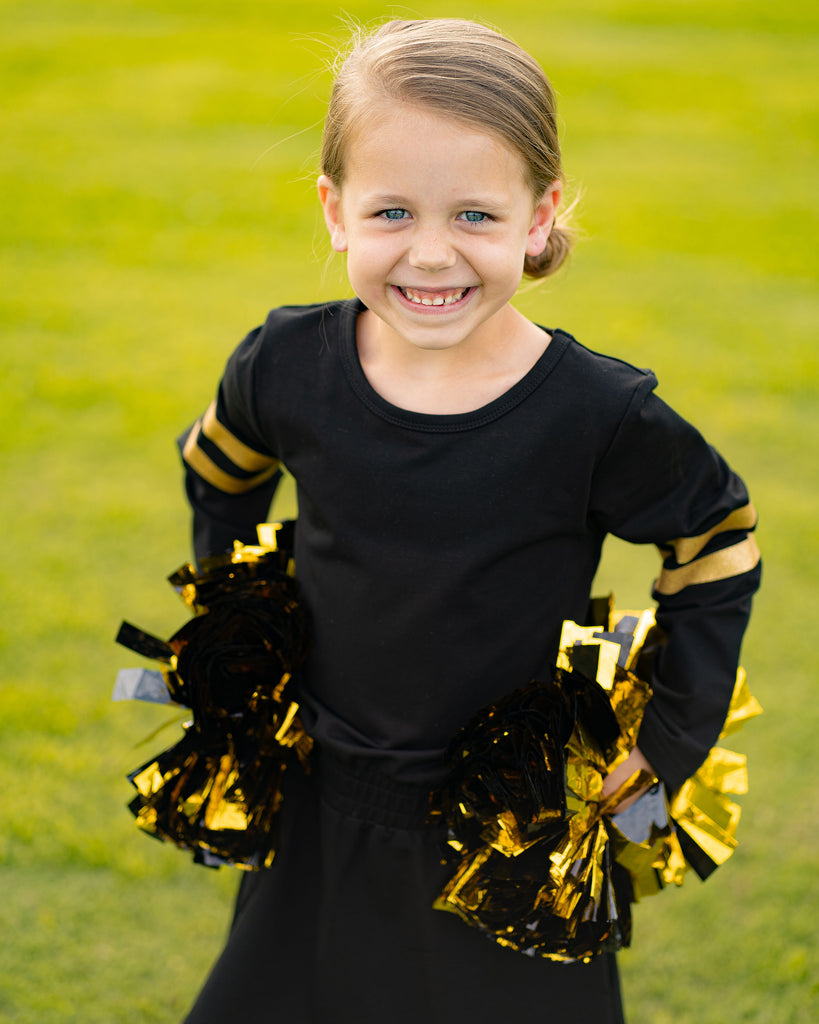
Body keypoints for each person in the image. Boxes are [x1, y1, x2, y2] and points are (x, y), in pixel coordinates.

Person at [178, 18, 760, 1024]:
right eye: (393, 210)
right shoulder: (285, 365)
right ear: (334, 209)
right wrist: (243, 637)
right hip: (320, 793)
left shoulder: (599, 416)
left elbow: (717, 543)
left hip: (507, 829)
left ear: (540, 216)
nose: (432, 253)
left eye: (477, 216)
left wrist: (665, 739)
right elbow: (221, 470)